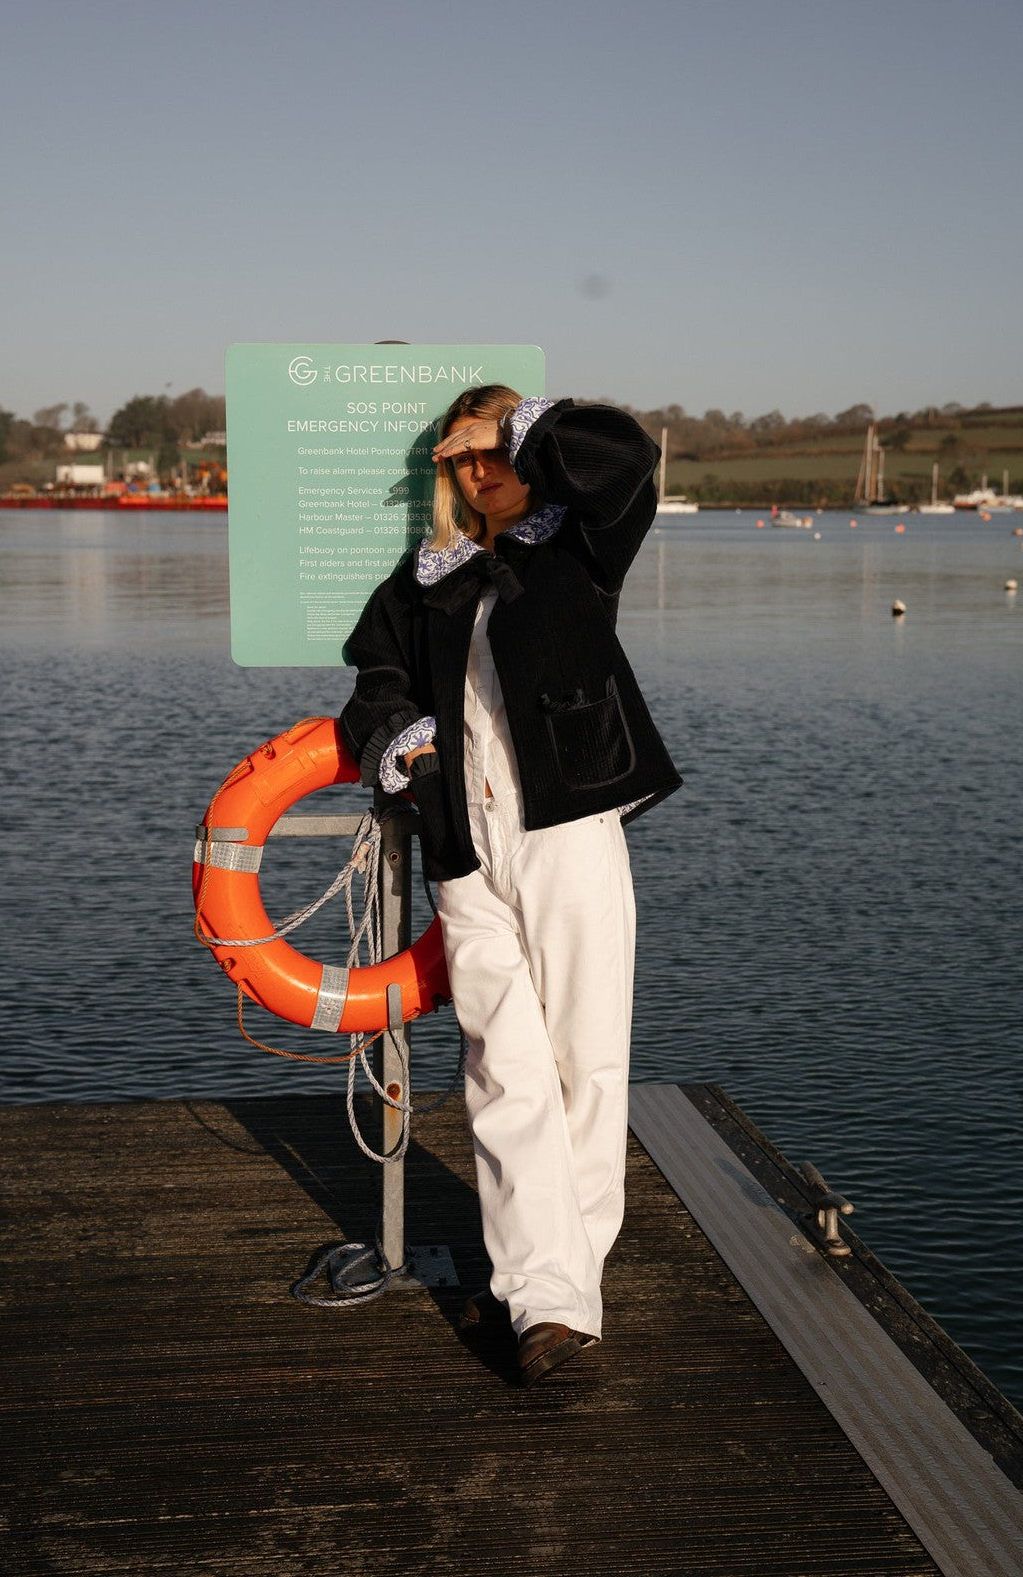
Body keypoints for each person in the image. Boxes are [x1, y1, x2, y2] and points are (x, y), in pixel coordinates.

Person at [339, 385, 681, 1384]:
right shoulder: (427, 579)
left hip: (569, 833)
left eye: (493, 454)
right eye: (464, 460)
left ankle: (557, 1300)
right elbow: (373, 673)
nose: (479, 473)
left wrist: (515, 425)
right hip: (463, 849)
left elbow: (625, 457)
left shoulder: (581, 543)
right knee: (502, 1068)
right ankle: (548, 1296)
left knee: (582, 1064)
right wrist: (407, 747)